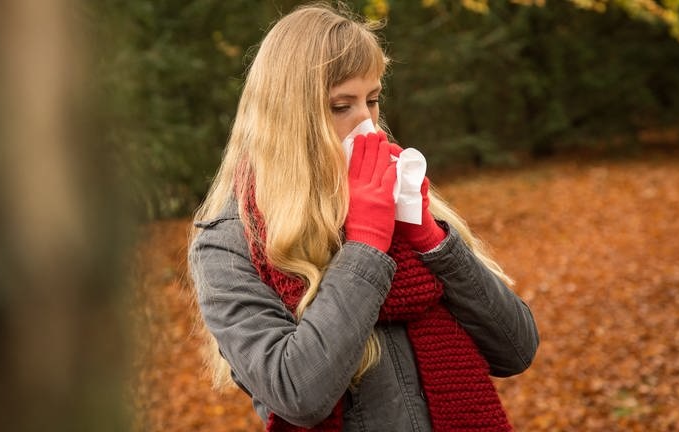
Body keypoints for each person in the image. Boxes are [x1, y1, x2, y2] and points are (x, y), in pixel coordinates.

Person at [188, 3, 539, 431]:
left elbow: (516, 349)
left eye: (372, 100)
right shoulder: (230, 241)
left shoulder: (394, 200)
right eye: (341, 107)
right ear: (287, 117)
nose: (368, 127)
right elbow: (297, 392)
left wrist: (431, 240)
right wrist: (367, 243)